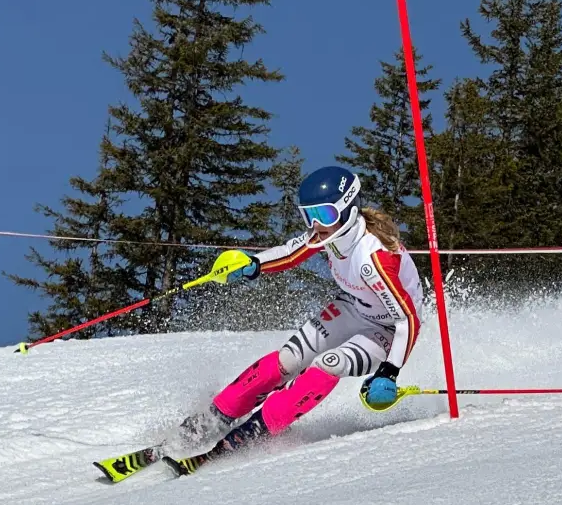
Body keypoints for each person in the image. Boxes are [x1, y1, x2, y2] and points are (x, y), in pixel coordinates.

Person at [159, 165, 425, 473]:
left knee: (330, 364)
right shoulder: (329, 233)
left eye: (323, 215)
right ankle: (215, 416)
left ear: (348, 209)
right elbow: (291, 253)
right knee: (289, 358)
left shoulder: (373, 259)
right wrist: (252, 264)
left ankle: (253, 433)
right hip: (353, 306)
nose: (316, 225)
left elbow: (408, 320)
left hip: (387, 330)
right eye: (308, 216)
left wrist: (389, 372)